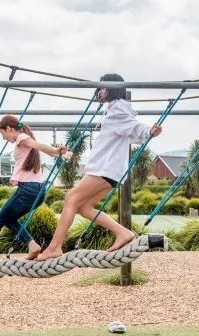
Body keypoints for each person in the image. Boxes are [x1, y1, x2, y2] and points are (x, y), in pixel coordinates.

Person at [37, 73, 163, 261]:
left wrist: (148, 131)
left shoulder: (117, 109)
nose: (100, 91)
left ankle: (54, 247)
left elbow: (133, 127)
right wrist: (146, 131)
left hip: (104, 168)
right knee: (83, 207)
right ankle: (123, 233)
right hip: (108, 171)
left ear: (111, 88)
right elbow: (129, 130)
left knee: (71, 198)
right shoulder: (113, 109)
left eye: (103, 87)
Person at [0, 116, 71, 267]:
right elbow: (40, 148)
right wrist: (58, 153)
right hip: (38, 191)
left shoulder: (21, 138)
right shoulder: (25, 139)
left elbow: (37, 145)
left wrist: (55, 150)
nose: (4, 138)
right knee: (8, 219)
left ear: (9, 129)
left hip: (27, 190)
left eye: (3, 134)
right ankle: (32, 245)